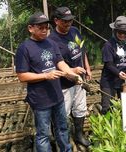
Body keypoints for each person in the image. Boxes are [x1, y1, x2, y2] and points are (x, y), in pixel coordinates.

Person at [15, 11, 84, 152]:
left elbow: (60, 62)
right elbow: (22, 76)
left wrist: (72, 74)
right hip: (40, 100)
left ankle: (66, 150)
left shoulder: (51, 43)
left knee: (62, 128)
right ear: (30, 28)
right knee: (43, 134)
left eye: (46, 27)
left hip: (57, 96)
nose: (45, 30)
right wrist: (46, 76)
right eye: (40, 28)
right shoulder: (24, 48)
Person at [48, 7, 91, 147]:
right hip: (63, 84)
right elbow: (55, 66)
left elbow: (81, 51)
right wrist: (72, 70)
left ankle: (78, 134)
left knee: (80, 108)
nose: (68, 23)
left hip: (79, 80)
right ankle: (61, 139)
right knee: (63, 113)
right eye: (65, 21)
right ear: (56, 21)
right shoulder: (51, 41)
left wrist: (87, 67)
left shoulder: (75, 31)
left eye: (70, 20)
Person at [100, 16, 126, 114]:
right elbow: (109, 64)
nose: (122, 35)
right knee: (107, 108)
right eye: (120, 32)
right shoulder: (108, 45)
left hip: (124, 81)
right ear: (115, 31)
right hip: (109, 81)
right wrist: (118, 73)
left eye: (124, 33)